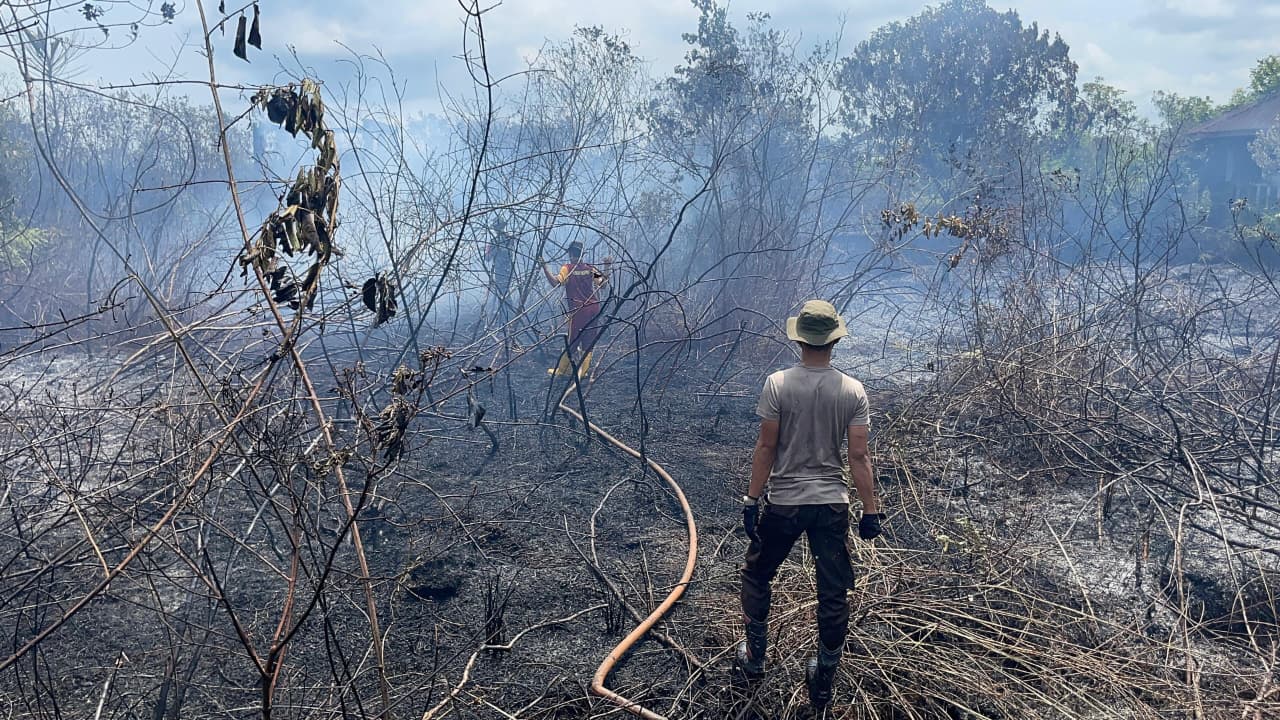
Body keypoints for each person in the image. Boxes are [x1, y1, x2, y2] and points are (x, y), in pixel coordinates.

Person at [736, 299, 884, 710]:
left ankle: (755, 658)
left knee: (756, 574)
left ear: (799, 338)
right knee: (833, 591)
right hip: (831, 506)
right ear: (835, 339)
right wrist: (870, 511)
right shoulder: (853, 390)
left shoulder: (777, 384)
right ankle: (823, 679)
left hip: (783, 503)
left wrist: (752, 500)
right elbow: (858, 457)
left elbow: (766, 446)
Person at [540, 240, 606, 377]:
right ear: (582, 254)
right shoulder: (590, 268)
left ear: (570, 253)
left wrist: (545, 267)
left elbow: (555, 283)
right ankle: (583, 372)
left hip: (578, 310)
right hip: (594, 308)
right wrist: (607, 266)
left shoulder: (567, 268)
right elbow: (603, 284)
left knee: (573, 340)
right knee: (588, 341)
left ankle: (561, 371)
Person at [485, 217, 515, 326]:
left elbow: (487, 258)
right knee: (504, 294)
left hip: (502, 271)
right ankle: (507, 318)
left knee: (503, 294)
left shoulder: (498, 241)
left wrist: (491, 249)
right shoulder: (509, 238)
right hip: (507, 271)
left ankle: (507, 319)